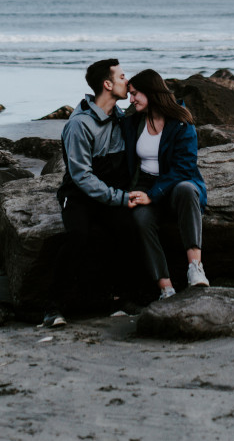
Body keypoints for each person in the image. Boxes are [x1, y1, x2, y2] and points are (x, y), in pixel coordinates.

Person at [47, 58, 147, 327]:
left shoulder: (121, 118)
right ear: (107, 84)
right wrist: (121, 198)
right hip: (79, 193)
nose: (128, 81)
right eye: (122, 76)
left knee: (128, 228)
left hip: (111, 191)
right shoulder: (80, 125)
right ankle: (54, 307)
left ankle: (120, 299)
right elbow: (81, 176)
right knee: (79, 235)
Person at [124, 68, 209, 300]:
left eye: (135, 94)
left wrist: (154, 194)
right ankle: (166, 288)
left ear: (150, 92)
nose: (131, 99)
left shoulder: (181, 121)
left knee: (187, 190)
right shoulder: (134, 123)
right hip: (143, 182)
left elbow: (185, 167)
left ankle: (195, 269)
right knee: (140, 218)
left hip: (175, 181)